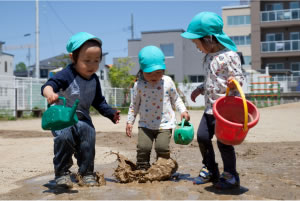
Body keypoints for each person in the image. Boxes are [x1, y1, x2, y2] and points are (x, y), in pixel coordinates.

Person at [41, 32, 120, 188]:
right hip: (62, 119)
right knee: (64, 138)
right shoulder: (66, 75)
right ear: (73, 58)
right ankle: (62, 173)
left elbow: (98, 101)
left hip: (82, 118)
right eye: (87, 60)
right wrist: (50, 94)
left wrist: (110, 113)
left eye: (96, 61)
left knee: (88, 138)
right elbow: (48, 85)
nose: (92, 65)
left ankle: (86, 173)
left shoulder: (94, 80)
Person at [181, 12, 245, 189]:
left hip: (225, 110)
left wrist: (234, 82)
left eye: (197, 43)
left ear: (209, 38)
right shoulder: (209, 57)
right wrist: (200, 89)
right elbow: (211, 79)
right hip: (210, 108)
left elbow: (239, 79)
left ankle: (231, 175)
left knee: (224, 143)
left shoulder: (231, 56)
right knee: (202, 136)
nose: (197, 47)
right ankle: (210, 169)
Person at [126, 45, 190, 170]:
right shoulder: (138, 85)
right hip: (145, 125)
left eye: (158, 72)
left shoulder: (167, 82)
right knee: (143, 148)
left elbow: (176, 98)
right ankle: (142, 168)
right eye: (149, 73)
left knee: (162, 148)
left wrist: (183, 110)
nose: (154, 76)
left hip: (165, 124)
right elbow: (134, 105)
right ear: (142, 70)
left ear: (163, 70)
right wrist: (130, 121)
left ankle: (163, 168)